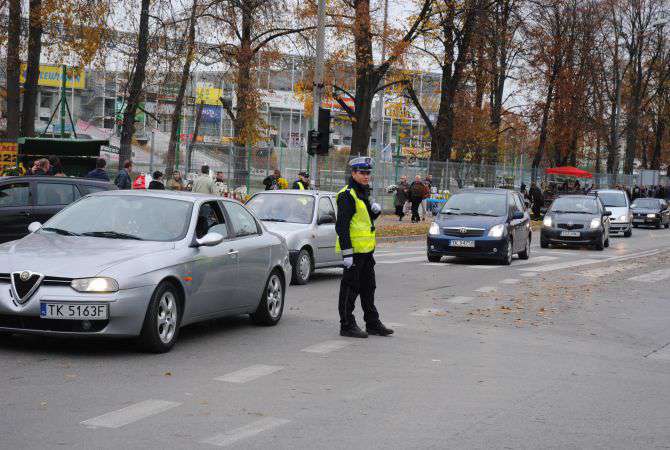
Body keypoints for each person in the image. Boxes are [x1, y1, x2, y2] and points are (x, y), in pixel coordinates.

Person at [335, 157, 393, 339]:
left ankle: (372, 322)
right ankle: (346, 324)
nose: (366, 176)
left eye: (368, 173)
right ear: (353, 173)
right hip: (354, 252)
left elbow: (364, 222)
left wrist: (374, 213)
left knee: (369, 287)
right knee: (350, 289)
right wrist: (347, 253)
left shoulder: (363, 193)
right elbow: (342, 226)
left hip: (367, 252)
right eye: (362, 172)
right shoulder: (347, 194)